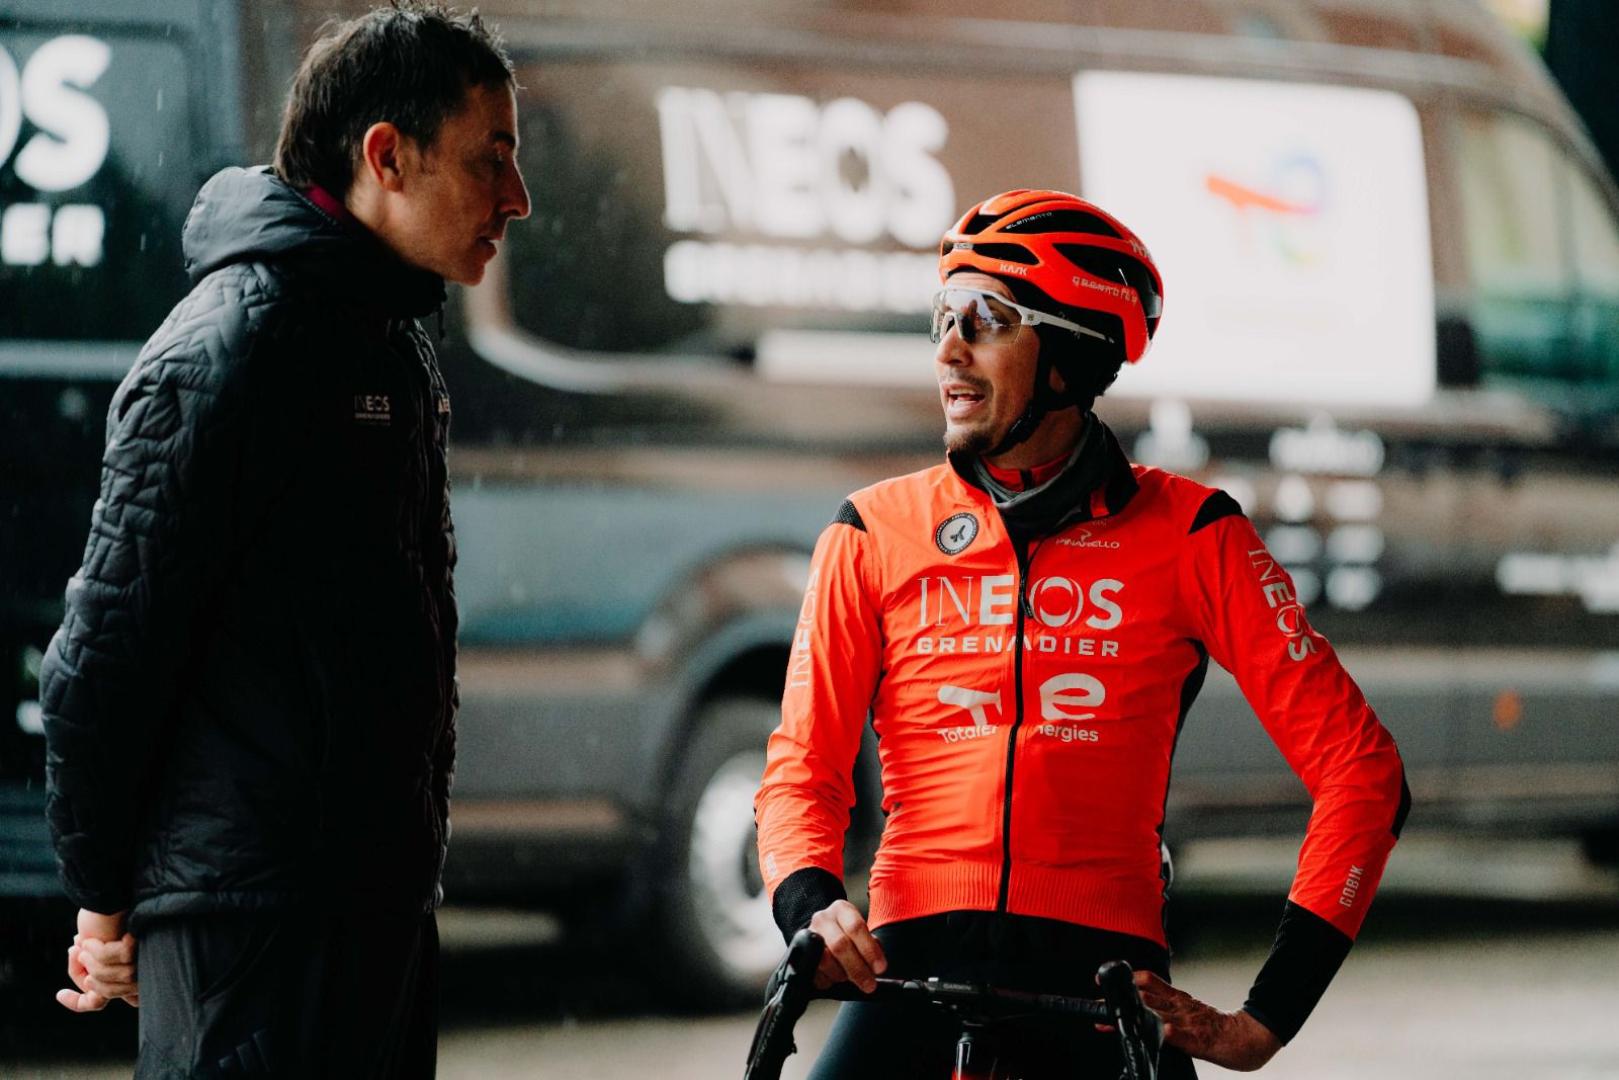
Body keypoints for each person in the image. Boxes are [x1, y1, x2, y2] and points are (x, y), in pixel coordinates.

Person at [754, 189, 1409, 1077]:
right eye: (941, 316)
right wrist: (811, 904)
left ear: (1067, 351)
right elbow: (802, 769)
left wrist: (1262, 1021)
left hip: (1103, 994)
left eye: (984, 318)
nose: (948, 348)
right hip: (907, 975)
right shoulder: (870, 531)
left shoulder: (1192, 533)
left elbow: (1361, 774)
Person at [38, 2, 529, 1074]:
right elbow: (103, 656)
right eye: (491, 160)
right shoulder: (235, 349)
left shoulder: (379, 340)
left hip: (367, 911)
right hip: (253, 928)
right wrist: (101, 896)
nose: (516, 200)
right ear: (385, 156)